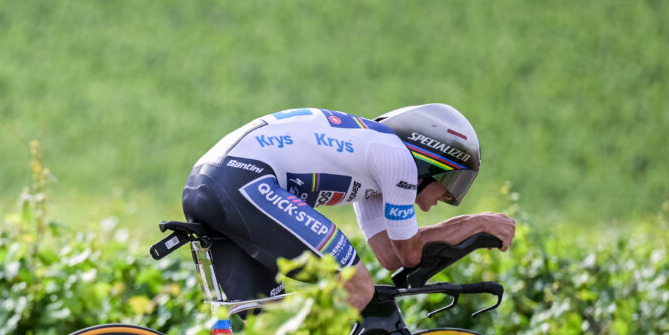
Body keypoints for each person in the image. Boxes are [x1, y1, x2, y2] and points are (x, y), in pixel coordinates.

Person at [180, 104, 517, 312]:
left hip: (211, 182)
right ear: (431, 163)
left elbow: (390, 255)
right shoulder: (397, 158)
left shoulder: (369, 169)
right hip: (242, 181)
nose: (431, 206)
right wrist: (476, 223)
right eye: (447, 190)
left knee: (263, 320)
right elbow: (411, 253)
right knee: (357, 286)